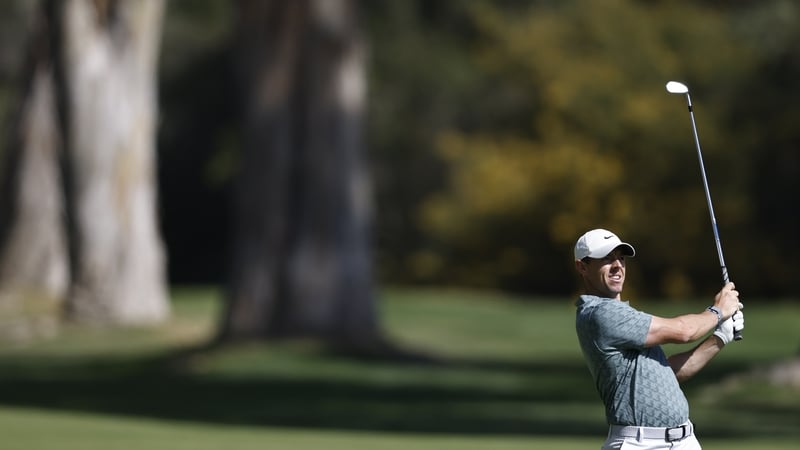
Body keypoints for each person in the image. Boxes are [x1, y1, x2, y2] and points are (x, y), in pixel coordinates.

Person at [573, 228, 744, 450]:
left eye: (621, 258)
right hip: (639, 443)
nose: (617, 266)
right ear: (582, 267)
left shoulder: (623, 315)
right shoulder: (599, 314)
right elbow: (684, 331)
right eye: (607, 259)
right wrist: (718, 310)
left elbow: (668, 373)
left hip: (684, 441)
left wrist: (720, 337)